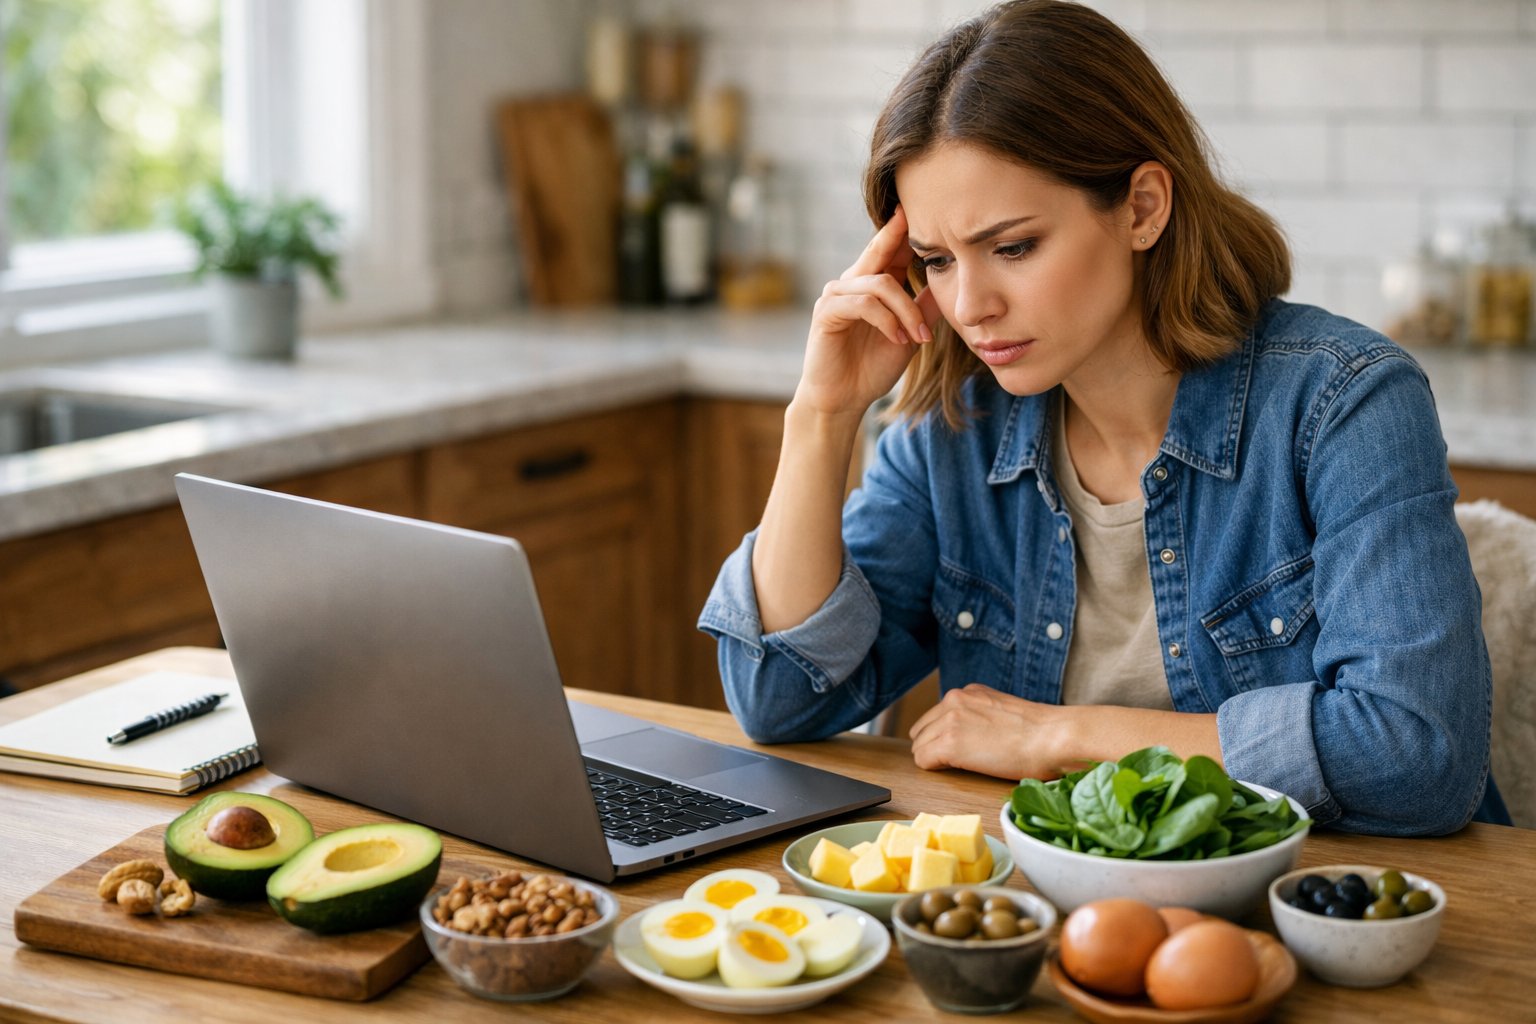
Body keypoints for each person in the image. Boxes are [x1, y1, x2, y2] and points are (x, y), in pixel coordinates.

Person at [698, 0, 1505, 835]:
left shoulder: (1344, 402)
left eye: (1012, 247)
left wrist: (1061, 737)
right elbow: (777, 699)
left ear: (1143, 207)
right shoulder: (948, 434)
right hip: (1047, 905)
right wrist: (821, 416)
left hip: (1331, 903)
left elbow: (1418, 759)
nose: (970, 306)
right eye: (937, 261)